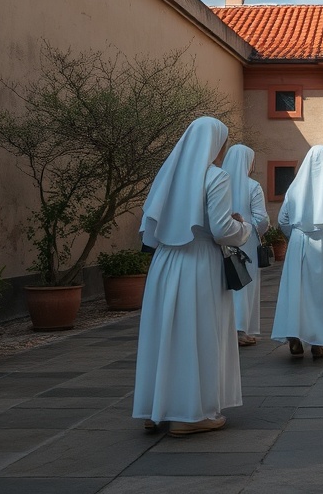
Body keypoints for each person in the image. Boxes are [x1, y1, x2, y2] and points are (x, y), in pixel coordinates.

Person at [133, 116, 251, 437]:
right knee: (197, 332)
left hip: (165, 261)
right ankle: (190, 415)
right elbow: (222, 230)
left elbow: (153, 221)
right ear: (215, 144)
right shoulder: (216, 177)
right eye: (223, 143)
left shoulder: (169, 174)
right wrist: (244, 228)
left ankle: (155, 408)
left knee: (164, 333)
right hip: (199, 262)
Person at [271, 145, 323, 359]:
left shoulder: (293, 189)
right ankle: (320, 342)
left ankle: (295, 337)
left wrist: (296, 235)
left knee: (297, 289)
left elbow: (282, 221)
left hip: (299, 241)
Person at [221, 144, 270, 347]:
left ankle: (225, 328)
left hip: (221, 241)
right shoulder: (252, 186)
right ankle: (241, 329)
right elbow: (262, 219)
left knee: (224, 284)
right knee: (244, 282)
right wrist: (250, 227)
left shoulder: (218, 182)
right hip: (246, 241)